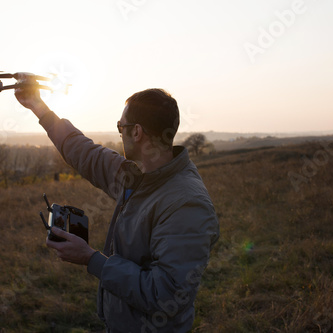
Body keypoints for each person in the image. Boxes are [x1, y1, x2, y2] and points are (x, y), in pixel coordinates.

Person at [15, 76, 219, 332]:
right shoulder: (137, 174)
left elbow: (167, 294)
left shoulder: (186, 203)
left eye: (120, 126)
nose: (119, 131)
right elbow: (84, 152)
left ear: (137, 131)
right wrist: (39, 107)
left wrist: (91, 259)